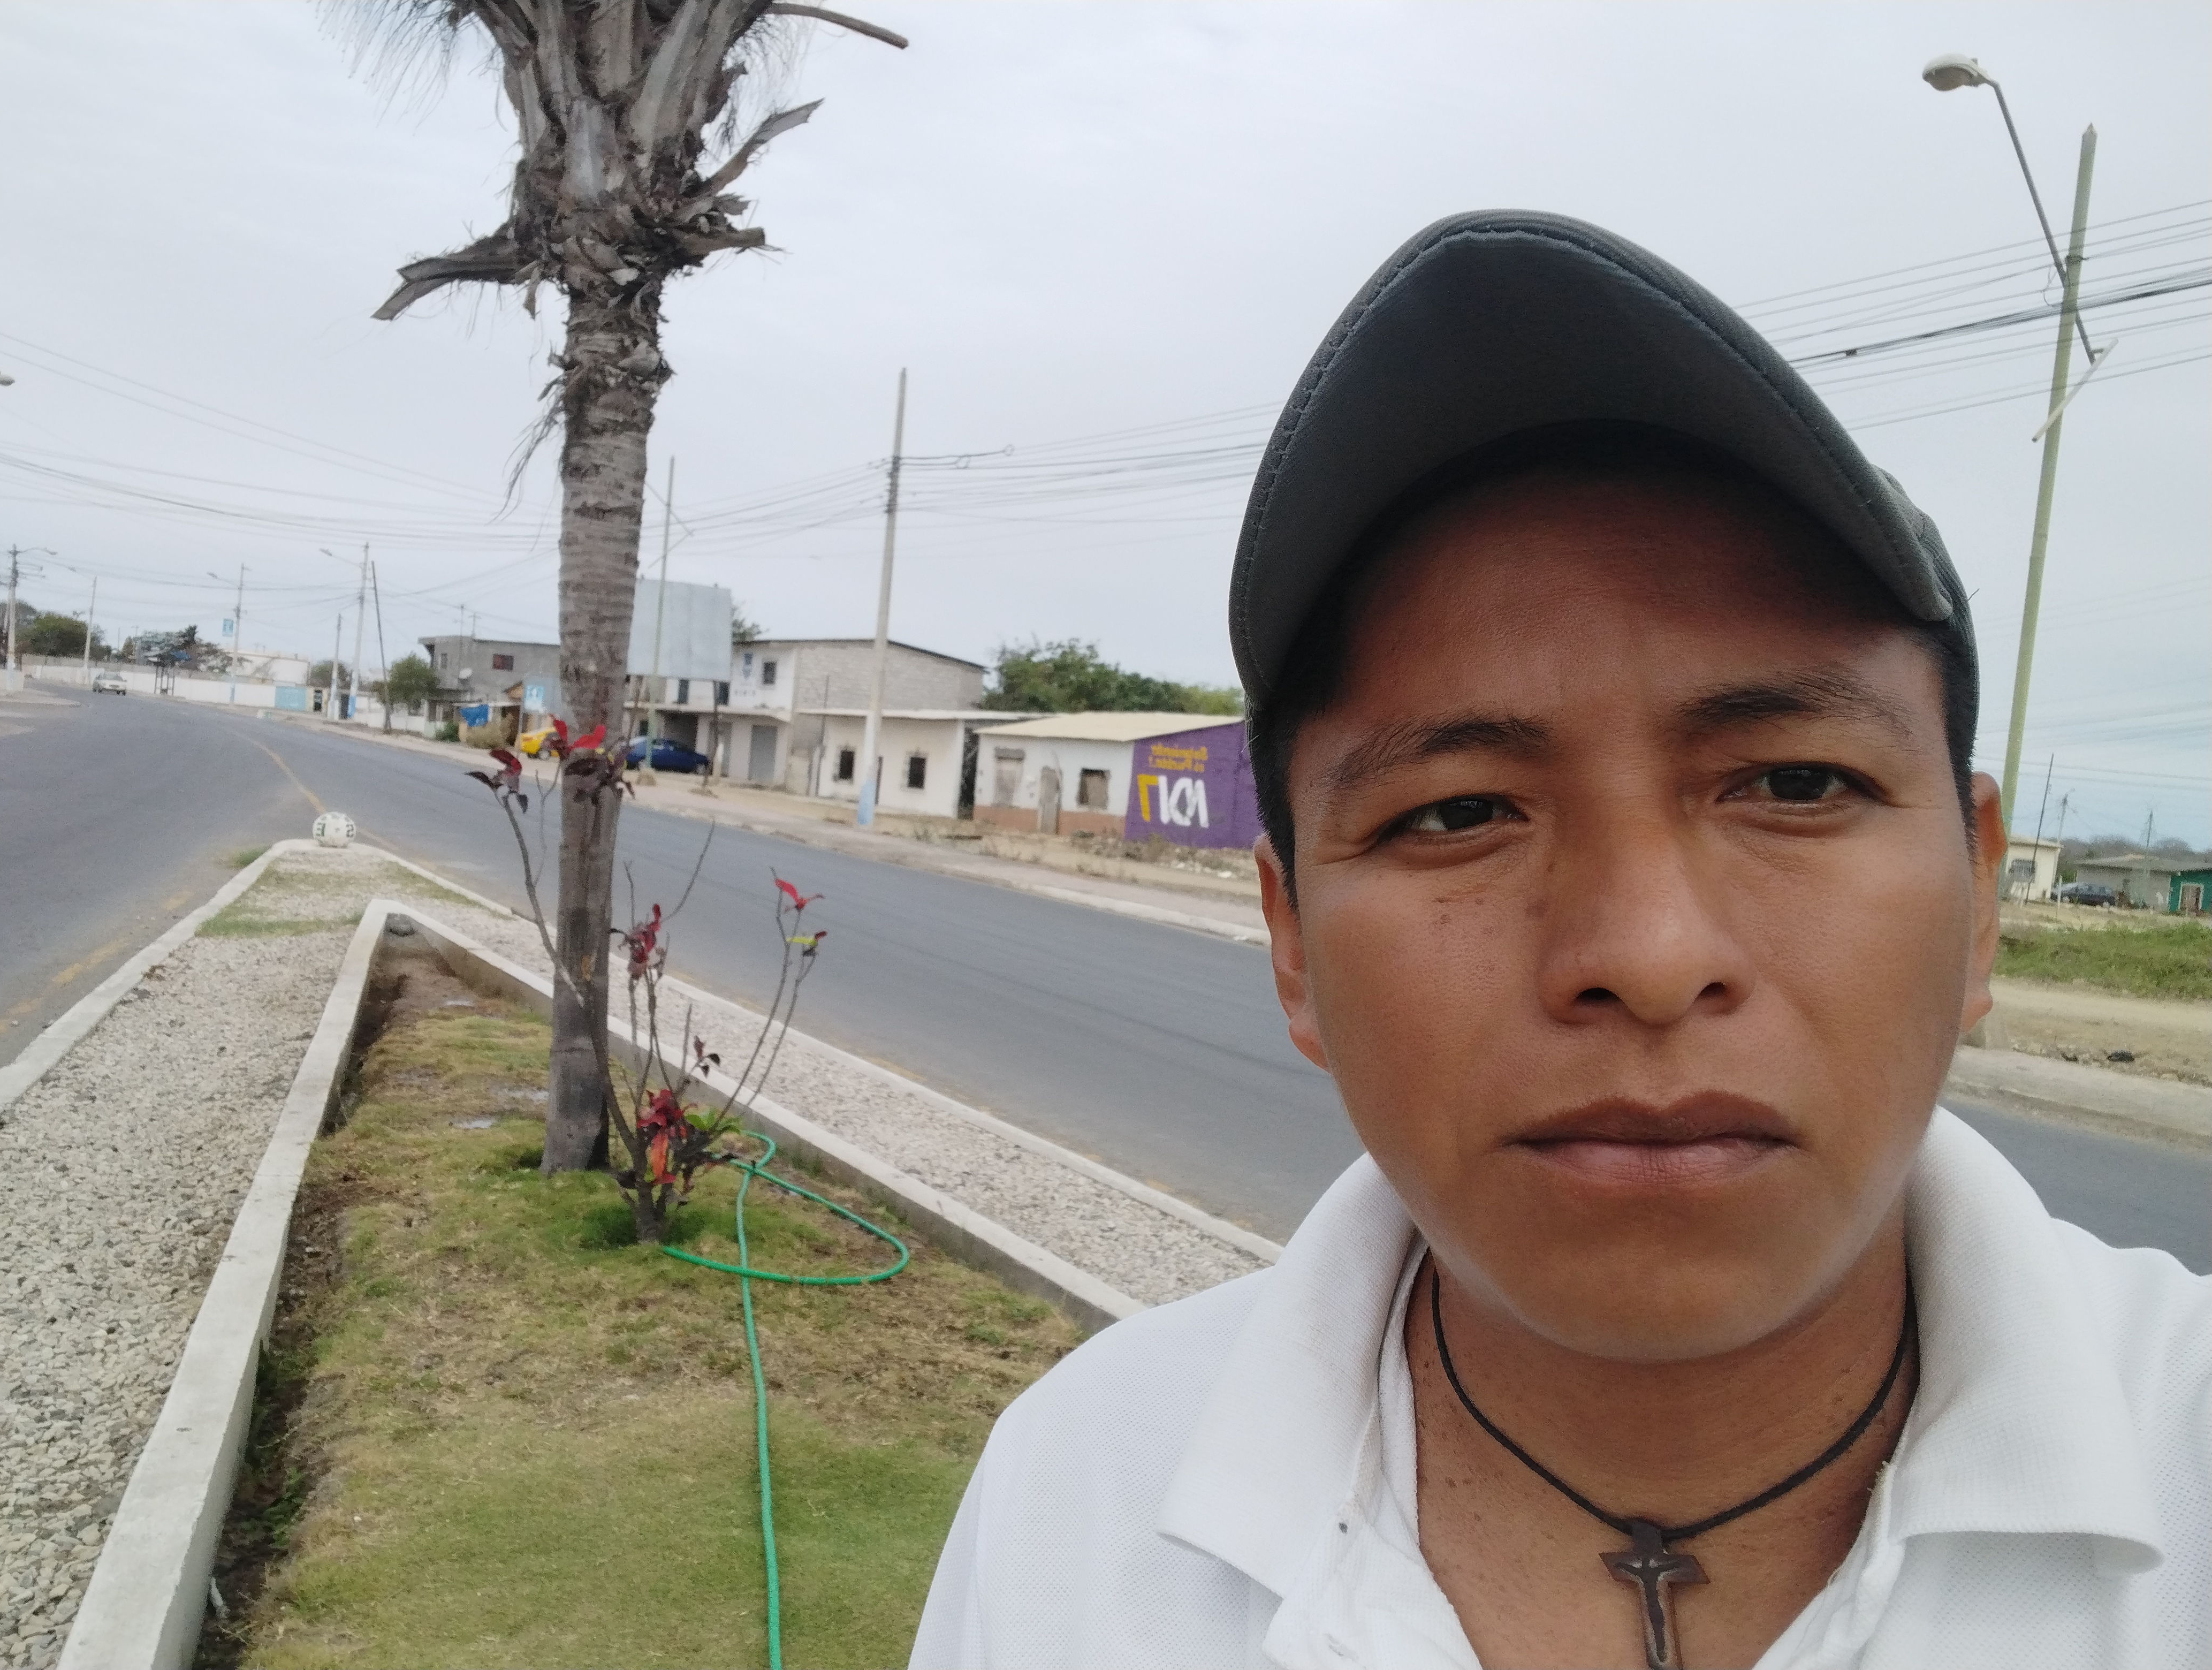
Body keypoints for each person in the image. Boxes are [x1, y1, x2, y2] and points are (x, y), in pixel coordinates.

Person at [909, 213, 2209, 1670]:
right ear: (1293, 947)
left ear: (1976, 898)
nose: (1647, 957)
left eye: (1795, 785)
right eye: (1458, 812)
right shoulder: (1077, 1497)